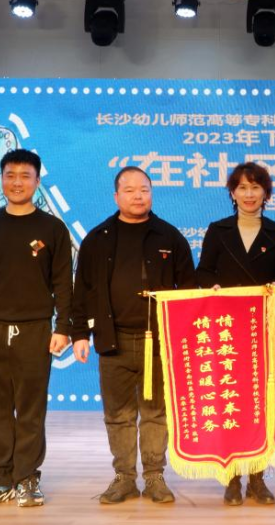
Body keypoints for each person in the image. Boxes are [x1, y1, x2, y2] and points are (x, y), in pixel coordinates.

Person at [71, 167, 196, 505]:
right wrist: (79, 333)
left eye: (144, 189)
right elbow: (82, 291)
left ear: (152, 194)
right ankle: (124, 478)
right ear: (116, 196)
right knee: (118, 414)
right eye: (129, 190)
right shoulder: (98, 239)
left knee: (156, 412)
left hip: (159, 343)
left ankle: (155, 476)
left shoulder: (170, 237)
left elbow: (189, 291)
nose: (138, 196)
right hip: (114, 341)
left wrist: (183, 337)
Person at [0, 149, 73, 508]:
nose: (17, 182)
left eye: (25, 176)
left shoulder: (52, 228)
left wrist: (63, 327)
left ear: (37, 181)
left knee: (30, 409)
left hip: (35, 330)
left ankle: (26, 478)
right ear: (1, 179)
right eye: (10, 175)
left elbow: (63, 284)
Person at [196, 162, 275, 507]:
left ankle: (258, 478)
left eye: (255, 187)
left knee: (261, 405)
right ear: (232, 193)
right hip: (227, 329)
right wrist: (213, 287)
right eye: (242, 188)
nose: (249, 194)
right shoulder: (218, 229)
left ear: (266, 193)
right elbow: (203, 272)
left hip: (263, 329)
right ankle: (232, 477)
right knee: (232, 403)